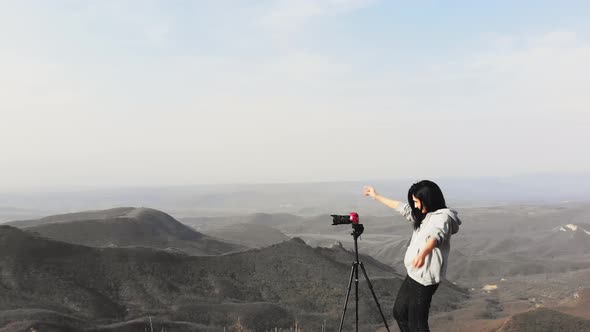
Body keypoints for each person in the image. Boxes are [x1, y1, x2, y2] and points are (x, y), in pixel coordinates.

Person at [363, 180, 461, 332]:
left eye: (417, 202)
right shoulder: (424, 215)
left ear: (428, 200)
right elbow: (402, 208)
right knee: (400, 312)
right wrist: (376, 196)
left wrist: (423, 254)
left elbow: (435, 237)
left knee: (418, 325)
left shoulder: (443, 218)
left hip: (425, 280)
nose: (415, 206)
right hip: (413, 275)